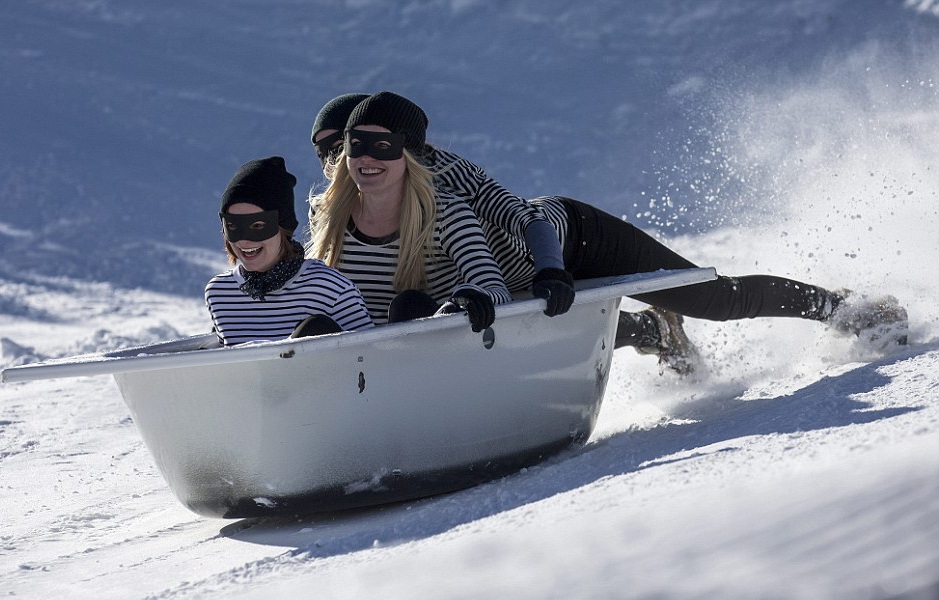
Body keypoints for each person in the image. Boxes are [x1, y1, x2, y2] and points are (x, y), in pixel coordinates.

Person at [309, 93, 909, 374]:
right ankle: (653, 332)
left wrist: (549, 268)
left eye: (351, 144)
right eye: (329, 151)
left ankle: (842, 308)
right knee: (540, 334)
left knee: (711, 302)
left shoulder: (443, 178)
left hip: (573, 240)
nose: (341, 160)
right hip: (510, 283)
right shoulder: (344, 213)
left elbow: (530, 217)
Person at [306, 92, 512, 331]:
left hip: (426, 354)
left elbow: (496, 290)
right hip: (353, 357)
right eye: (357, 145)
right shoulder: (326, 213)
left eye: (383, 146)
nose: (367, 157)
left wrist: (468, 299)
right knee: (314, 325)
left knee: (408, 304)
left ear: (409, 156)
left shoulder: (447, 216)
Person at [206, 156, 374, 346]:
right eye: (233, 226)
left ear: (283, 227)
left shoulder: (329, 287)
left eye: (258, 225)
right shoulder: (220, 293)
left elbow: (369, 356)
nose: (245, 240)